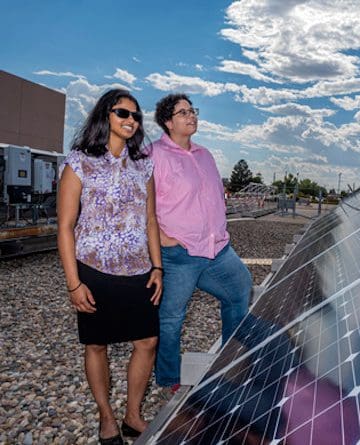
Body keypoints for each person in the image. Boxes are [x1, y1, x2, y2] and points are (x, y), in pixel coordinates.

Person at [57, 89, 162, 444]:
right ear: (105, 116)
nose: (131, 120)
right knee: (96, 344)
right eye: (122, 113)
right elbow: (66, 227)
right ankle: (107, 417)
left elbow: (151, 221)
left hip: (138, 270)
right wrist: (74, 283)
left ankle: (133, 415)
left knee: (147, 341)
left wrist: (158, 268)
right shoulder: (79, 162)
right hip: (94, 269)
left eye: (135, 116)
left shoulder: (143, 166)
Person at [149, 93, 252, 393]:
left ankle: (231, 361)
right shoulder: (153, 155)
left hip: (217, 249)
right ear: (168, 122)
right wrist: (165, 240)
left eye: (192, 110)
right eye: (183, 112)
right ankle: (169, 379)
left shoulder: (205, 155)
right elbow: (141, 204)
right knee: (170, 319)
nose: (191, 116)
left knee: (239, 290)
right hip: (179, 253)